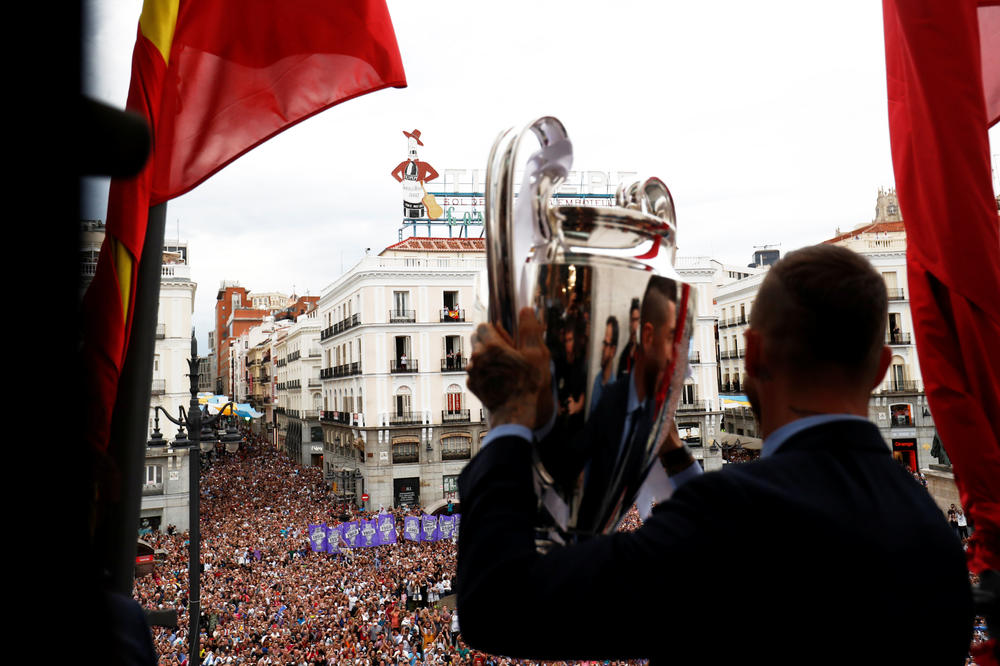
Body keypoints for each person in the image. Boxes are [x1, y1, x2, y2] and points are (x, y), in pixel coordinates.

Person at [457, 244, 972, 664]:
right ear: (882, 367)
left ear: (751, 355)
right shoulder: (935, 534)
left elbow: (500, 605)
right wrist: (674, 452)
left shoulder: (728, 521)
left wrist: (508, 419)